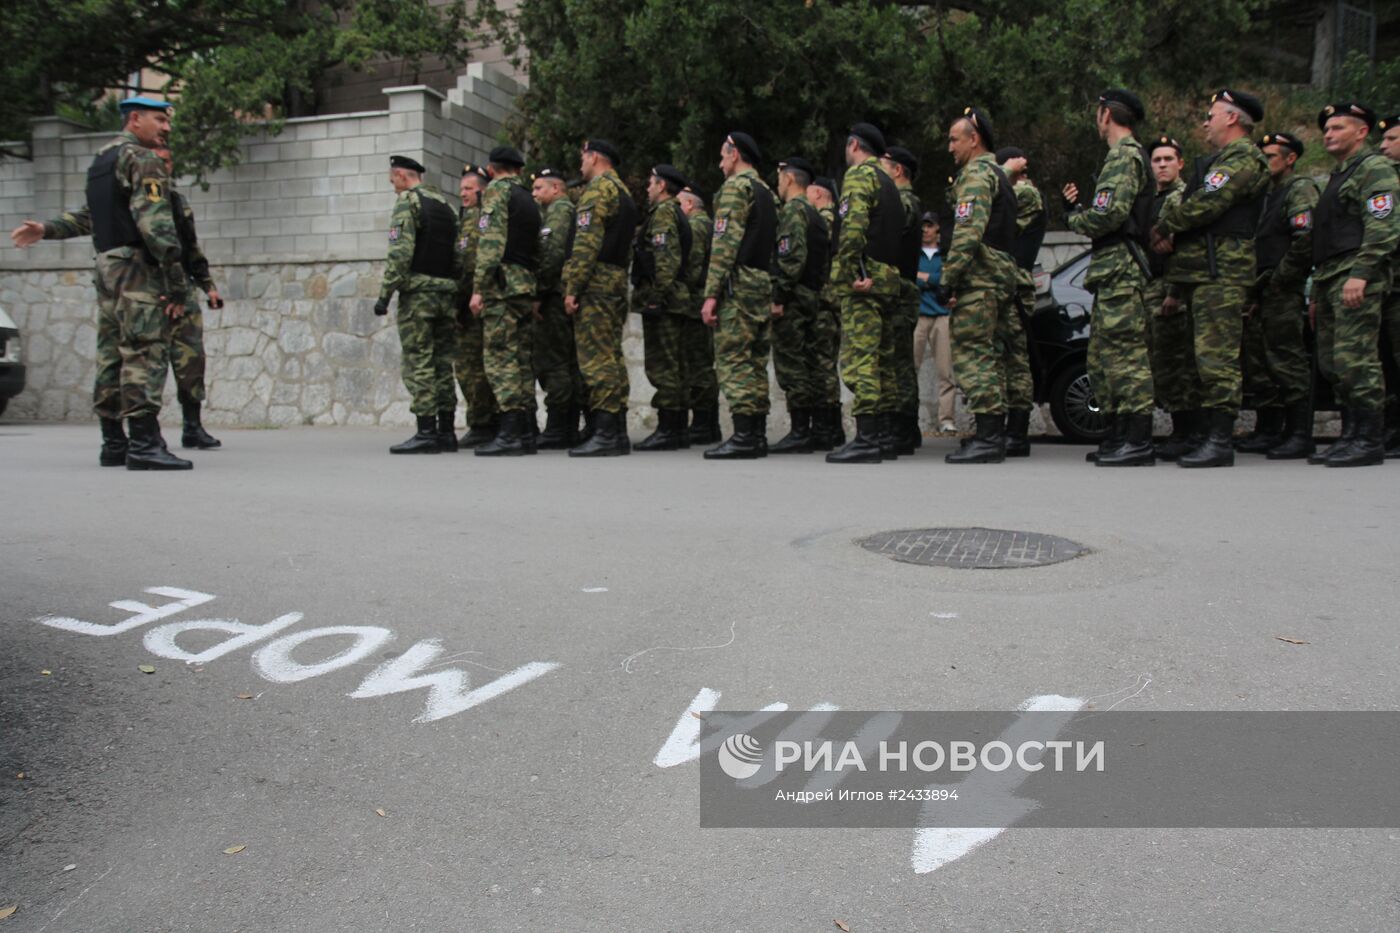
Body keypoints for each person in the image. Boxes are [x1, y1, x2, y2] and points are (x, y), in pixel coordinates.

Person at [11, 97, 191, 469]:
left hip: (107, 267)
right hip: (137, 268)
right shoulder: (143, 159)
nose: (166, 128)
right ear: (135, 119)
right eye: (159, 120)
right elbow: (156, 226)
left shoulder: (102, 160)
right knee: (144, 349)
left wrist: (45, 228)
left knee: (111, 353)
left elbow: (89, 217)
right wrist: (176, 284)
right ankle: (143, 445)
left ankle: (113, 443)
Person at [1153, 89, 1271, 468]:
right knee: (1199, 358)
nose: (1206, 121)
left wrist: (1166, 224)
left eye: (1212, 114)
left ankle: (1220, 440)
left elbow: (1208, 203)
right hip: (1206, 271)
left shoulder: (1242, 158)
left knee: (1216, 357)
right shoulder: (1224, 159)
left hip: (1223, 272)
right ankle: (1206, 433)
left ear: (1232, 118)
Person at [1063, 89, 1156, 467]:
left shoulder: (1123, 156)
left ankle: (1138, 439)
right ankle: (1119, 433)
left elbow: (1108, 216)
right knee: (1104, 357)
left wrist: (1075, 218)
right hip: (1112, 269)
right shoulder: (1124, 157)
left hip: (1120, 268)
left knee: (1125, 355)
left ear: (1106, 115)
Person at [1306, 102, 1400, 466]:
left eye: (1338, 128)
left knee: (1356, 359)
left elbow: (1384, 226)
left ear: (1361, 132)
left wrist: (1361, 273)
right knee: (1334, 361)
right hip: (1330, 276)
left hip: (1354, 274)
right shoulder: (1339, 174)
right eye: (1327, 129)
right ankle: (1350, 434)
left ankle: (1369, 438)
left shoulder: (1374, 169)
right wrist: (1316, 292)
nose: (1329, 134)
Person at [939, 107, 1026, 464]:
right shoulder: (998, 174)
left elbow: (967, 234)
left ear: (973, 140)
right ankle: (993, 434)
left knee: (974, 353)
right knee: (993, 357)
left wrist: (949, 278)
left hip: (981, 279)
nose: (949, 148)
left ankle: (989, 438)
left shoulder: (976, 175)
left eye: (954, 139)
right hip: (1001, 277)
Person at [825, 123, 904, 464]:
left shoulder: (859, 176)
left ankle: (867, 438)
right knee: (883, 360)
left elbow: (853, 229)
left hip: (864, 281)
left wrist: (849, 273)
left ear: (853, 144)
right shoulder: (889, 182)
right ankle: (884, 436)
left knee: (861, 361)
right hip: (886, 279)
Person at [699, 132, 777, 460]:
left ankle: (745, 435)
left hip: (739, 284)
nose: (720, 163)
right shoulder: (767, 192)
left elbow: (724, 244)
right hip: (760, 283)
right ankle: (755, 432)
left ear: (735, 154)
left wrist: (711, 294)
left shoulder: (736, 188)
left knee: (733, 358)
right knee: (755, 360)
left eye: (722, 155)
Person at [1240, 132, 1318, 459]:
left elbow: (1305, 238)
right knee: (1263, 362)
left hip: (1285, 290)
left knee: (1288, 361)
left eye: (1272, 156)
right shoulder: (1266, 196)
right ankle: (1269, 428)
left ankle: (1300, 433)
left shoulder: (1299, 189)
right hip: (1265, 291)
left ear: (1290, 159)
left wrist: (1281, 278)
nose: (1265, 162)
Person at [376, 155, 461, 454]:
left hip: (420, 295)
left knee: (419, 361)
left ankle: (426, 432)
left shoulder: (407, 203)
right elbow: (459, 255)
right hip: (446, 294)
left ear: (401, 176)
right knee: (442, 363)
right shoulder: (447, 207)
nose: (393, 187)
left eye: (392, 181)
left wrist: (385, 295)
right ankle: (447, 432)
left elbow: (400, 255)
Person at [562, 139, 638, 457]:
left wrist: (572, 288)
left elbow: (586, 245)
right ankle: (615, 429)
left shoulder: (598, 191)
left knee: (597, 359)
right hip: (616, 282)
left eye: (583, 157)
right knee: (612, 357)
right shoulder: (624, 193)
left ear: (594, 157)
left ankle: (607, 433)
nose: (581, 163)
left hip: (596, 284)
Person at [470, 145, 541, 456]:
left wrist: (479, 287)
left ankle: (510, 433)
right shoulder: (528, 198)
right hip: (524, 284)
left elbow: (491, 242)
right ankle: (525, 430)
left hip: (502, 286)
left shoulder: (497, 192)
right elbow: (537, 247)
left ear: (491, 168)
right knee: (522, 359)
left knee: (500, 358)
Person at [150, 146, 222, 450]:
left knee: (192, 361)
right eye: (158, 162)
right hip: (150, 292)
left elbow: (191, 248)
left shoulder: (178, 203)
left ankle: (192, 427)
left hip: (185, 290)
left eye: (167, 161)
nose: (164, 167)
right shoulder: (135, 201)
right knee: (149, 363)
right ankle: (147, 432)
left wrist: (208, 285)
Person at [1143, 136, 1205, 460]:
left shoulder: (1181, 198)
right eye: (1157, 160)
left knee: (1176, 365)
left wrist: (1174, 292)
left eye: (1169, 159)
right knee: (1161, 363)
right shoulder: (1153, 198)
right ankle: (1180, 431)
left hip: (1172, 289)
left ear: (1181, 163)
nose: (1162, 165)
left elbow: (1182, 249)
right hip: (1154, 285)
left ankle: (1188, 431)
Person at [769, 156, 830, 454]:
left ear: (789, 179)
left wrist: (779, 296)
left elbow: (791, 258)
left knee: (792, 365)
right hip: (810, 295)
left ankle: (799, 431)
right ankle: (814, 429)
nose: (777, 184)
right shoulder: (814, 213)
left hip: (794, 298)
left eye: (780, 177)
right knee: (809, 362)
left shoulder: (794, 211)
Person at [632, 164, 695, 451]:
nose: (647, 189)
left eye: (650, 183)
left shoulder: (665, 212)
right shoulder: (672, 211)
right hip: (672, 298)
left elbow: (665, 258)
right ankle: (677, 427)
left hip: (665, 301)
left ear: (661, 186)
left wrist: (657, 296)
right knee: (674, 364)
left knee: (664, 365)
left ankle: (670, 429)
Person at [531, 166, 584, 448]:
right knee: (566, 361)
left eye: (540, 188)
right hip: (556, 292)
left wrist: (539, 292)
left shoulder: (560, 211)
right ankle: (568, 425)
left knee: (555, 362)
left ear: (556, 189)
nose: (535, 193)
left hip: (554, 294)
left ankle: (559, 426)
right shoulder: (557, 211)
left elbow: (552, 255)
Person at [879, 146, 924, 454]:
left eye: (883, 167)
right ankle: (905, 428)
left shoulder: (904, 202)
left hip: (900, 292)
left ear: (897, 170)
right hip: (901, 290)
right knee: (899, 361)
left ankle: (902, 428)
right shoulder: (905, 201)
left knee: (898, 363)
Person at [454, 164, 499, 449]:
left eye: (469, 189)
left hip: (478, 303)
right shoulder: (465, 219)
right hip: (466, 304)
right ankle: (481, 419)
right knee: (468, 367)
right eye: (461, 190)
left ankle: (486, 422)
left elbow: (472, 263)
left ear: (482, 190)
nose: (463, 194)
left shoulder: (483, 218)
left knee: (478, 367)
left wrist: (473, 294)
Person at [677, 186, 723, 444]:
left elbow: (693, 266)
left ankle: (705, 424)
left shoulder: (696, 226)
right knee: (701, 363)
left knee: (698, 365)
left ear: (690, 205)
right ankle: (707, 423)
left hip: (695, 301)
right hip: (700, 300)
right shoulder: (708, 224)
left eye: (679, 204)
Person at [804, 176, 845, 449]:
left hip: (826, 300)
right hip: (828, 301)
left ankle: (827, 427)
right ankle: (828, 425)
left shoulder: (825, 219)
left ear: (818, 194)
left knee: (822, 363)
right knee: (822, 362)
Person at [915, 212, 955, 432]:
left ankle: (947, 419)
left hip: (942, 317)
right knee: (911, 369)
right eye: (923, 226)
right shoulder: (913, 253)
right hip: (919, 316)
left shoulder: (945, 254)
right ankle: (908, 418)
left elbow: (947, 280)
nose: (925, 230)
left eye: (929, 225)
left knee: (945, 371)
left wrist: (925, 278)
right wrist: (931, 281)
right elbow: (909, 277)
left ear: (937, 228)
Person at [1376, 114, 1400, 457]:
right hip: (1390, 283)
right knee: (1388, 362)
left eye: (1393, 138)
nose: (1383, 145)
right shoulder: (1383, 180)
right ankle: (1392, 429)